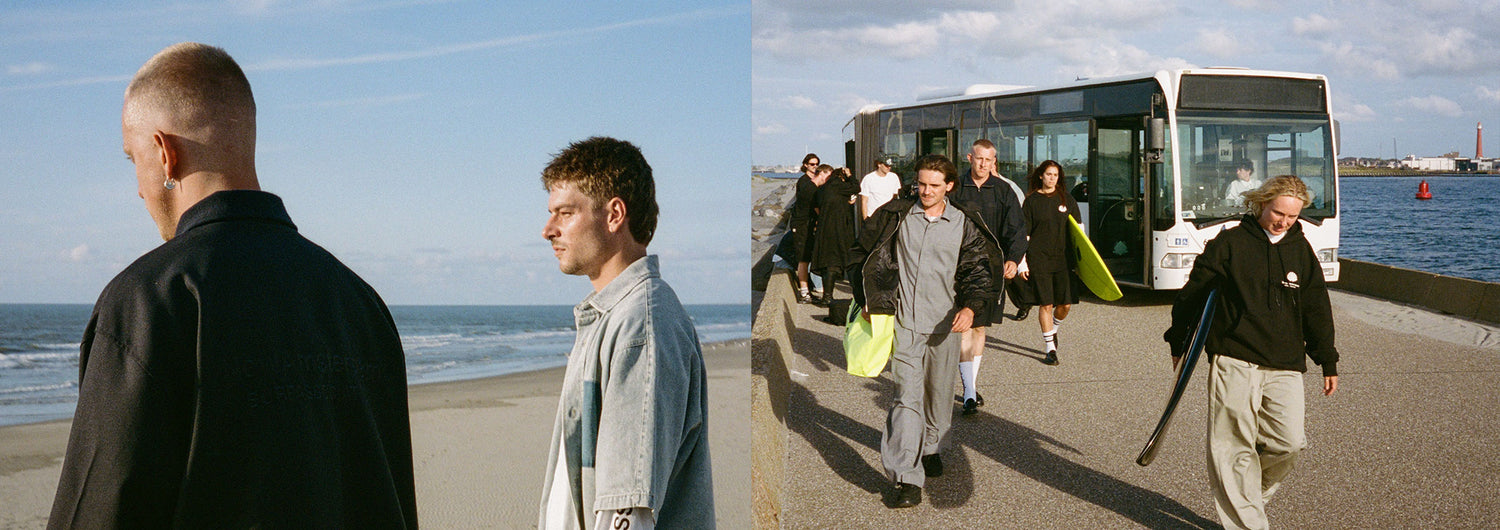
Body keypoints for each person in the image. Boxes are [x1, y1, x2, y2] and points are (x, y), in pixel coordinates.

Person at [48, 42, 416, 528]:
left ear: (164, 153)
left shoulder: (149, 299)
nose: (138, 187)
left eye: (131, 158)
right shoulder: (360, 302)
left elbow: (101, 508)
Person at [538, 136, 714, 530]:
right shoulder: (609, 316)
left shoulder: (642, 326)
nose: (548, 229)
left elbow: (629, 508)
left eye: (565, 213)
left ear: (614, 213)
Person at [1164, 175, 1339, 530]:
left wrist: (1327, 359)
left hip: (1285, 362)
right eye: (1279, 213)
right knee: (1233, 446)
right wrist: (1178, 339)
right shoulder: (1228, 243)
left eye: (1293, 217)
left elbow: (1316, 306)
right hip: (1234, 357)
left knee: (1288, 443)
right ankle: (1248, 523)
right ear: (1261, 204)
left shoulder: (1300, 249)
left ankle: (1246, 500)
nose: (1284, 222)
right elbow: (1193, 294)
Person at [848, 154, 1002, 508]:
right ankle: (906, 478)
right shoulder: (894, 215)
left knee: (938, 394)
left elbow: (978, 271)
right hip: (904, 324)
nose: (926, 191)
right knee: (906, 397)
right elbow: (861, 255)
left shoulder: (964, 222)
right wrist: (869, 297)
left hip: (946, 325)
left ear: (949, 186)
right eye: (921, 184)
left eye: (934, 185)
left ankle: (931, 446)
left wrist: (971, 307)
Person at [948, 139, 1027, 415]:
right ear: (969, 157)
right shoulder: (955, 188)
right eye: (979, 159)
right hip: (959, 266)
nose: (983, 165)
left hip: (992, 267)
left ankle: (971, 385)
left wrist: (1013, 259)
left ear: (995, 162)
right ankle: (969, 391)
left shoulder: (1003, 190)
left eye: (989, 160)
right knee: (965, 327)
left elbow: (1016, 228)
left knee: (980, 328)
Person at [1017, 160, 1081, 366]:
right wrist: (1022, 263)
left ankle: (1053, 328)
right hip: (1039, 258)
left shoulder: (1067, 199)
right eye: (1049, 174)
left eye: (1056, 175)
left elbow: (1079, 231)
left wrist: (1084, 262)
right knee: (1045, 303)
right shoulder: (1032, 201)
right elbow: (1024, 235)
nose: (1052, 178)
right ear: (1041, 176)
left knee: (1065, 304)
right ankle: (1050, 349)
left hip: (1063, 259)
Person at [811, 167, 860, 306]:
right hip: (840, 230)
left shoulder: (822, 189)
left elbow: (817, 207)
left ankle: (827, 296)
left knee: (828, 263)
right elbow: (856, 187)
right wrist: (850, 176)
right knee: (846, 260)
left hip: (824, 229)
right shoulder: (840, 186)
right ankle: (857, 296)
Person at [789, 153, 825, 303]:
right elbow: (810, 205)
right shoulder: (804, 182)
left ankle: (810, 288)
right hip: (802, 224)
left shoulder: (814, 182)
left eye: (817, 164)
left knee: (809, 257)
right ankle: (804, 292)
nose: (814, 166)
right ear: (805, 165)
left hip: (810, 224)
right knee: (803, 259)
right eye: (812, 164)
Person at [859, 156, 902, 220]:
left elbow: (895, 197)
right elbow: (864, 201)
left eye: (890, 166)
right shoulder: (868, 178)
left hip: (888, 216)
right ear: (879, 164)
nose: (889, 168)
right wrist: (865, 219)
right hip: (873, 216)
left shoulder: (894, 177)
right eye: (886, 165)